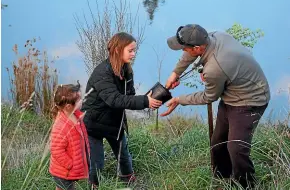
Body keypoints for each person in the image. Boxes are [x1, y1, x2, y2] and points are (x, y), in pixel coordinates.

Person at [161, 24, 270, 189]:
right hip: (231, 94)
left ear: (197, 48)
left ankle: (246, 185)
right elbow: (189, 55)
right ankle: (222, 180)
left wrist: (179, 99)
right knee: (218, 142)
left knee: (236, 148)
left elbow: (209, 96)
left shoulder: (215, 68)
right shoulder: (215, 35)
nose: (182, 51)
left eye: (184, 48)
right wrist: (175, 73)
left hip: (251, 101)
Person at [81, 32, 162, 189]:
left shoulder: (127, 71)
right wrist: (145, 101)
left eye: (134, 50)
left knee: (124, 157)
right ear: (118, 50)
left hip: (114, 124)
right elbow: (115, 100)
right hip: (93, 126)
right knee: (97, 163)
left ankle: (129, 181)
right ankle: (94, 186)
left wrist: (149, 98)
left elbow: (129, 96)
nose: (133, 54)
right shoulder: (101, 73)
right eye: (130, 50)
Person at [49, 83, 90, 190]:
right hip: (64, 172)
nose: (82, 101)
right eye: (79, 100)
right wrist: (71, 165)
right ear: (68, 106)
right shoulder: (60, 127)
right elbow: (56, 150)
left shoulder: (75, 114)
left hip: (68, 171)